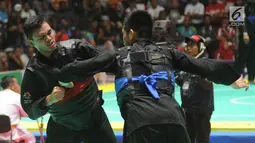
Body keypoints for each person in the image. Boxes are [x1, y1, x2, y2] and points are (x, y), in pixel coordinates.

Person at [58, 11, 248, 143]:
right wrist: (231, 77)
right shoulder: (169, 52)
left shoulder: (117, 55)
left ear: (130, 33)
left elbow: (83, 66)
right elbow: (204, 65)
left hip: (140, 125)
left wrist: (58, 75)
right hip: (175, 122)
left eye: (124, 33)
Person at [20, 16, 117, 143]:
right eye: (41, 37)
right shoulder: (33, 72)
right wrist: (49, 99)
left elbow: (109, 56)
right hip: (62, 127)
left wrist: (77, 69)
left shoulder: (75, 47)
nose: (49, 39)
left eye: (49, 33)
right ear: (32, 42)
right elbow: (30, 111)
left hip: (95, 118)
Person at [175, 35, 213, 143]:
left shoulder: (206, 64)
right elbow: (179, 81)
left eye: (192, 46)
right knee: (188, 138)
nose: (188, 48)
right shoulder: (183, 64)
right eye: (187, 46)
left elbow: (207, 83)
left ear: (201, 47)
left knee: (202, 138)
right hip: (187, 108)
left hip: (202, 109)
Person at [0, 76, 36, 143]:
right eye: (17, 84)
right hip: (10, 134)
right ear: (12, 85)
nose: (19, 86)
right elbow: (27, 114)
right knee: (31, 139)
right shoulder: (16, 96)